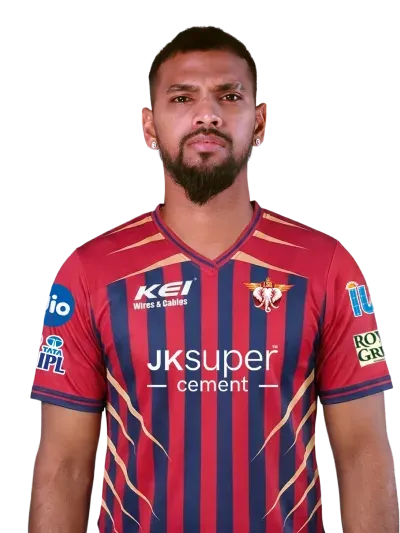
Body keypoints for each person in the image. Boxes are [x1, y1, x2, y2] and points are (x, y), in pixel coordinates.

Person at [29, 25, 398, 533]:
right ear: (148, 124)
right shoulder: (89, 272)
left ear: (261, 119)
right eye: (182, 98)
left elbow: (363, 457)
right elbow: (65, 467)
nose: (207, 114)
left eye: (229, 96)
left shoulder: (327, 267)